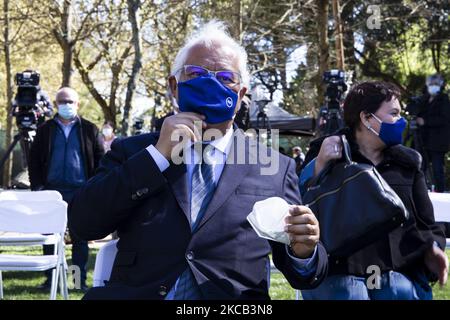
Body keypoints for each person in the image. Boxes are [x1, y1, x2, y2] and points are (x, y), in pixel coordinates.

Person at [68, 21, 328, 300]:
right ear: (174, 86)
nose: (210, 84)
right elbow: (84, 224)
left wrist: (304, 250)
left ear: (241, 95)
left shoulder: (274, 166)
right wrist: (157, 156)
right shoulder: (134, 151)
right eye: (196, 73)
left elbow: (303, 273)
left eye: (226, 77)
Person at [299, 81, 448, 300]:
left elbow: (426, 222)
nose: (401, 121)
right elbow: (302, 205)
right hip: (341, 279)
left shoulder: (408, 163)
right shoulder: (325, 154)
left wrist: (431, 248)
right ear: (367, 118)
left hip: (399, 279)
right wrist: (320, 165)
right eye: (394, 113)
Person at [29, 87, 105, 292]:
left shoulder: (90, 129)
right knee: (50, 238)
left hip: (80, 191)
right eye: (62, 101)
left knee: (80, 237)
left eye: (70, 101)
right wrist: (38, 187)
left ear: (77, 104)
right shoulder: (45, 130)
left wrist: (94, 186)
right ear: (55, 105)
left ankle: (77, 281)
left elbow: (101, 160)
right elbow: (34, 160)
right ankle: (50, 280)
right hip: (51, 192)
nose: (66, 105)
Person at [416, 74, 450, 192]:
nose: (433, 86)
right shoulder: (424, 99)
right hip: (424, 139)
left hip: (438, 141)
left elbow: (445, 119)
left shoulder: (444, 99)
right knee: (421, 167)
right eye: (431, 84)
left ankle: (440, 192)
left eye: (435, 84)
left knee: (437, 169)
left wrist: (425, 121)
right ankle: (421, 191)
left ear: (440, 85)